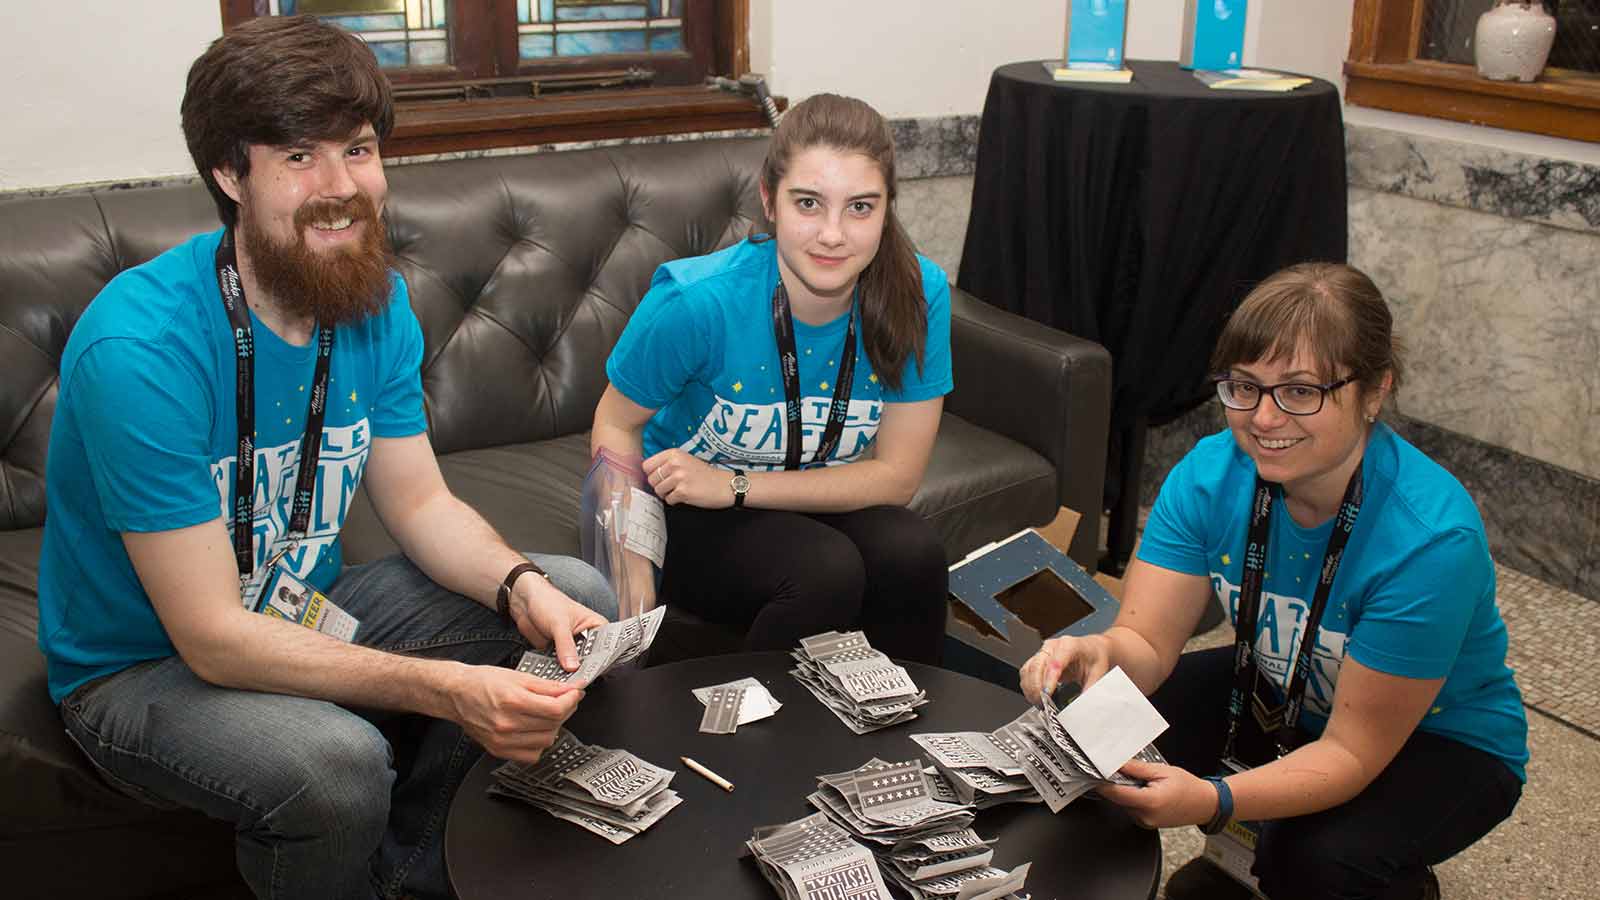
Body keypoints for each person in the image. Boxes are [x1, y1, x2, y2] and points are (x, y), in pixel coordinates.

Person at [36, 17, 617, 900]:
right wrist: (447, 689)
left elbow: (420, 506)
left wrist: (521, 586)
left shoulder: (373, 301)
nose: (343, 187)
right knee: (336, 763)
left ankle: (412, 879)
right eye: (300, 157)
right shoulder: (140, 350)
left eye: (360, 149)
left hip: (305, 603)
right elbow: (213, 637)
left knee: (578, 597)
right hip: (142, 664)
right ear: (231, 175)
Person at [1020, 263, 1526, 900]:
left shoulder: (1429, 541)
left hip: (1441, 736)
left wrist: (1213, 800)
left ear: (1374, 391)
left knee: (1318, 861)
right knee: (1088, 741)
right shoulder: (1211, 474)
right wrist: (1098, 653)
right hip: (1290, 681)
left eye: (1300, 391)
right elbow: (1146, 644)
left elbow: (1350, 753)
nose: (1263, 418)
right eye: (1244, 386)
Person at [590, 93, 952, 663]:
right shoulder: (696, 301)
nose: (833, 234)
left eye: (860, 207)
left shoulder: (918, 292)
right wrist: (629, 577)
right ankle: (743, 735)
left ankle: (900, 732)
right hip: (691, 510)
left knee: (916, 554)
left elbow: (897, 479)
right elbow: (615, 422)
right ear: (770, 201)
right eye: (809, 203)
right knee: (825, 572)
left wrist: (734, 485)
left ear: (887, 209)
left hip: (785, 490)